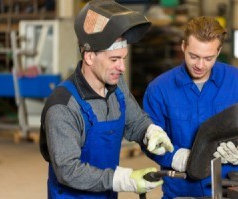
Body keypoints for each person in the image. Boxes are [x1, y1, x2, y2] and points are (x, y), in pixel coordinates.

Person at [39, 0, 174, 198]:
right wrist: (123, 179)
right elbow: (68, 170)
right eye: (114, 60)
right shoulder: (64, 106)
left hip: (107, 193)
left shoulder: (117, 86)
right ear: (90, 57)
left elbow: (135, 121)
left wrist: (150, 131)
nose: (122, 67)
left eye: (123, 58)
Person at [143, 16, 238, 198]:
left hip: (230, 190)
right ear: (183, 46)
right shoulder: (159, 89)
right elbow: (148, 141)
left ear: (219, 50)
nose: (199, 65)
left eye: (208, 58)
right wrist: (174, 157)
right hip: (180, 193)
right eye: (193, 56)